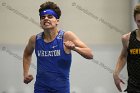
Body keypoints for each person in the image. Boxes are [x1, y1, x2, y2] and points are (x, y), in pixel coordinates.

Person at [23, 1, 93, 93]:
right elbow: (27, 54)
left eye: (50, 16)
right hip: (41, 89)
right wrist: (25, 74)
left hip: (61, 89)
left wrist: (75, 48)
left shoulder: (66, 36)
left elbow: (90, 54)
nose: (46, 19)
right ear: (40, 22)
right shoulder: (34, 40)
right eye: (43, 17)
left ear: (57, 21)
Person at [113, 3, 140, 93]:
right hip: (134, 87)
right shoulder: (127, 39)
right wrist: (116, 73)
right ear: (135, 20)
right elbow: (123, 56)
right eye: (139, 21)